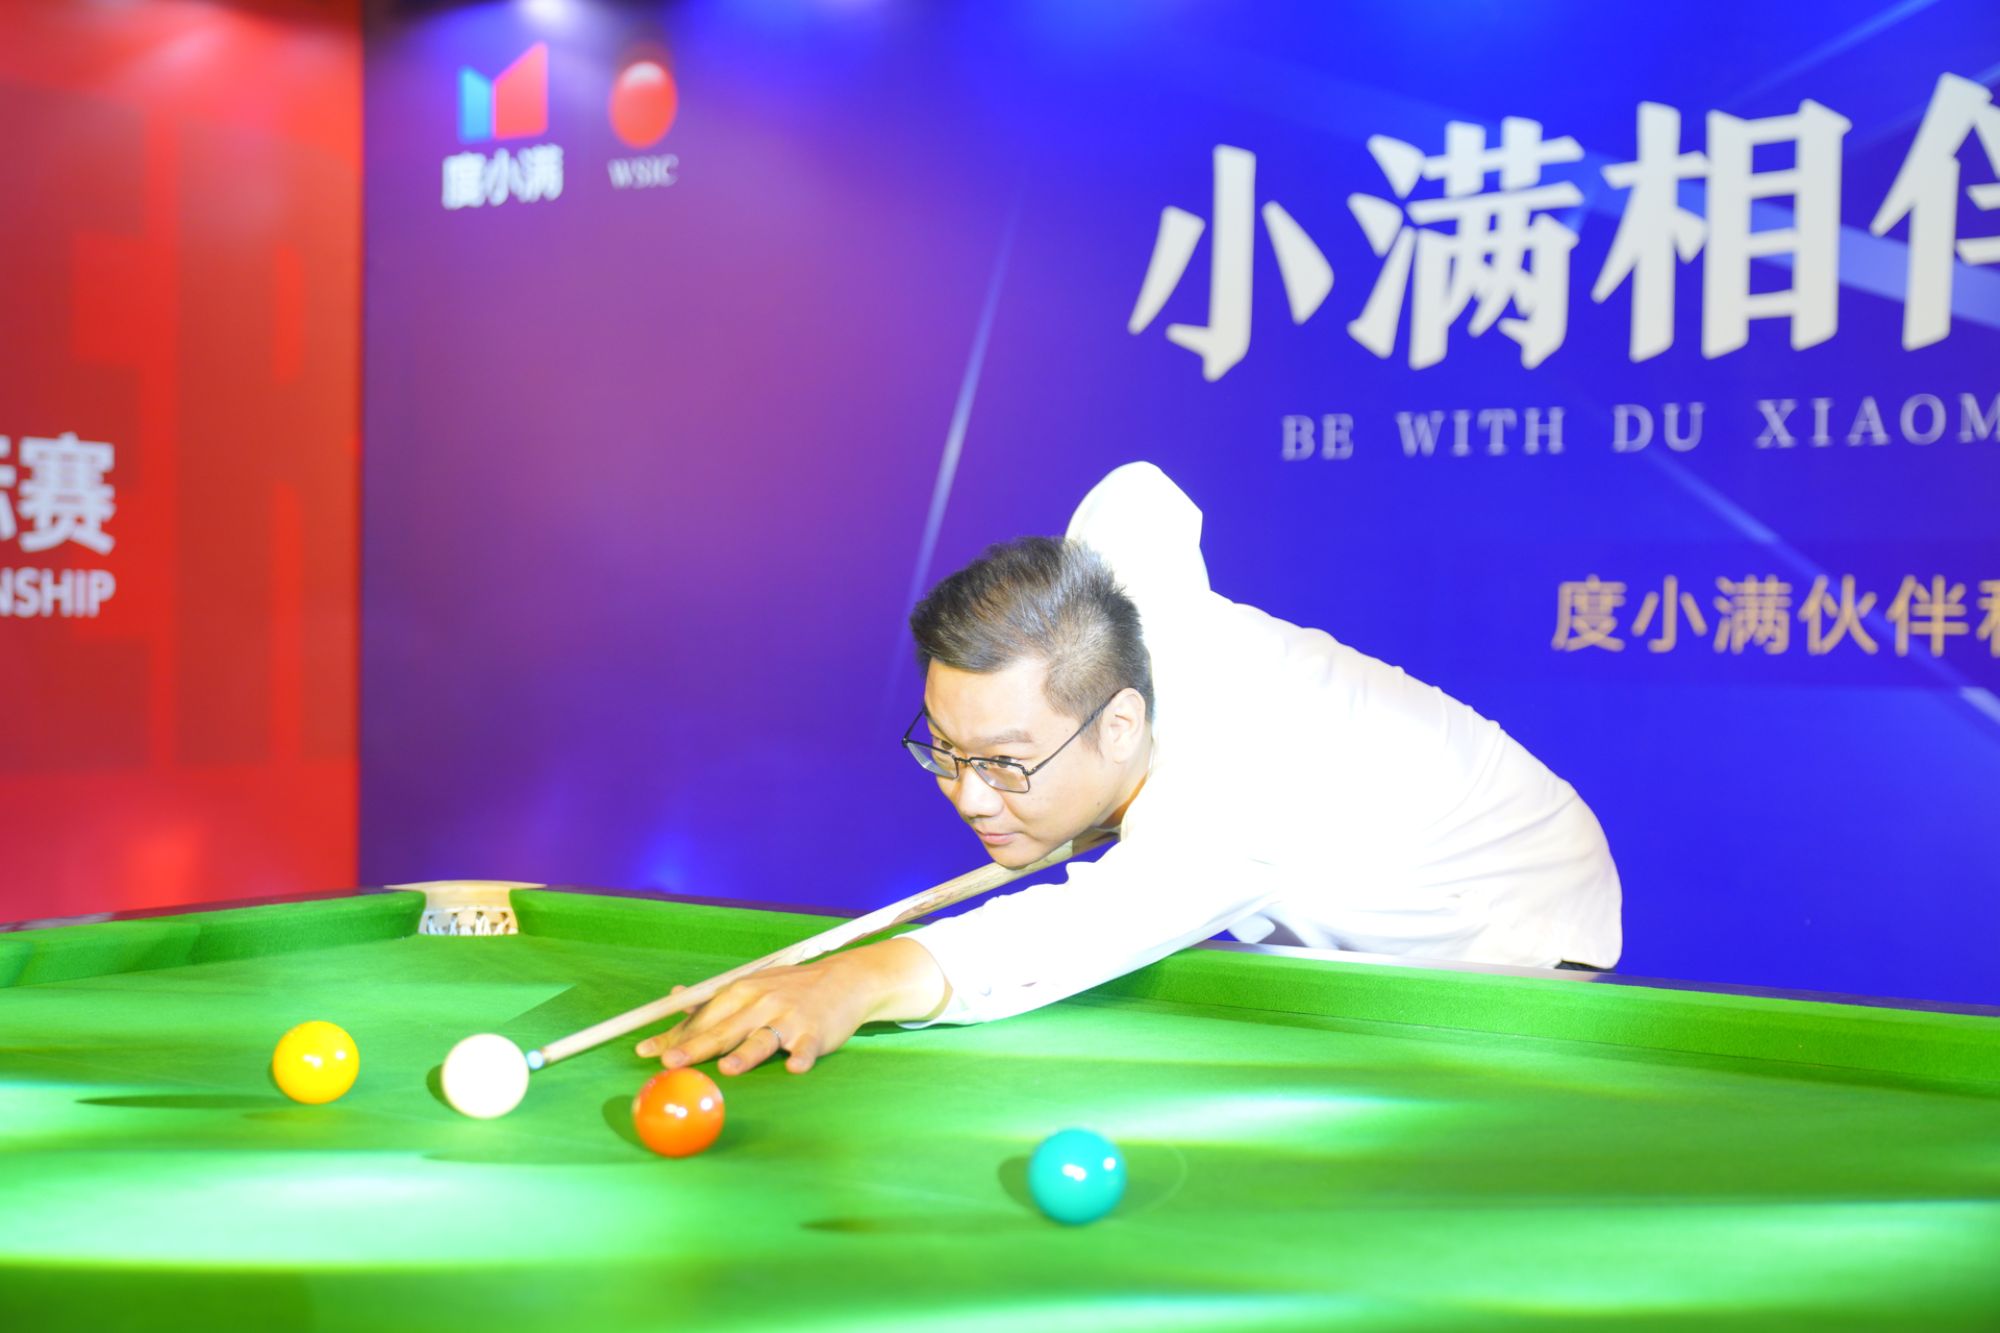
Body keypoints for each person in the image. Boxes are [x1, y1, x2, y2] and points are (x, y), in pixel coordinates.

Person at [636, 462, 1621, 1076]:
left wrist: (854, 980)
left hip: (1507, 924)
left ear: (1119, 726)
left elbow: (1083, 924)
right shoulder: (1107, 606)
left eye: (1006, 763)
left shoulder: (1240, 775)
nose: (968, 795)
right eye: (945, 749)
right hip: (1349, 876)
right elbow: (1141, 493)